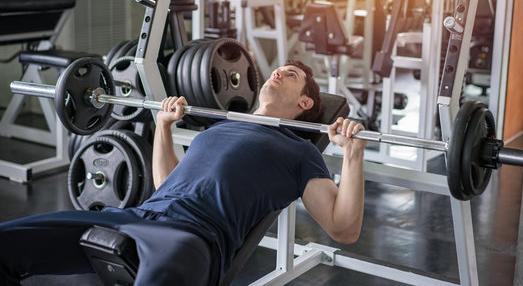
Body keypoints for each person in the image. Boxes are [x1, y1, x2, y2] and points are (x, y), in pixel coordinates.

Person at [0, 60, 366, 286]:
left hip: (192, 236)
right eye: (279, 68)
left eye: (290, 74)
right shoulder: (218, 129)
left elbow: (343, 228)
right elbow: (166, 184)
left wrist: (352, 154)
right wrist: (163, 127)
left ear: (304, 103)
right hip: (135, 217)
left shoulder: (298, 149)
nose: (277, 72)